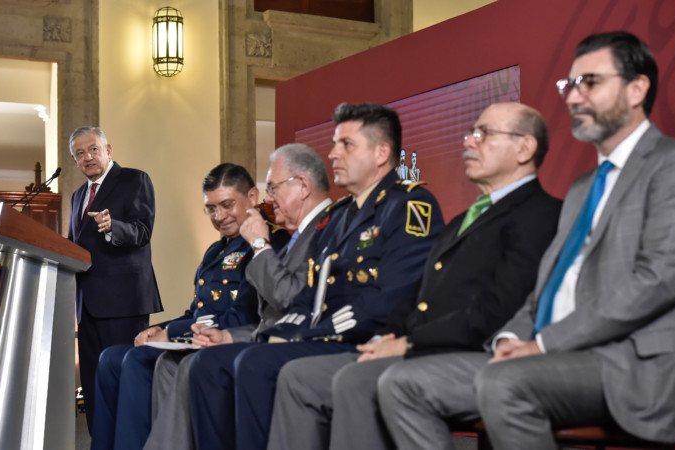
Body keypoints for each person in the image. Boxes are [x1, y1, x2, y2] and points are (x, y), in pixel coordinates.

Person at [378, 31, 675, 450]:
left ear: (637, 88)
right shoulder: (582, 188)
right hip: (549, 351)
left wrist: (543, 343)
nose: (574, 98)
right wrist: (511, 339)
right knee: (402, 382)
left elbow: (656, 280)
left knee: (504, 384)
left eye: (589, 83)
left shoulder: (672, 165)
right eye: (569, 85)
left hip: (627, 361)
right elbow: (547, 288)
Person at [267, 102, 562, 450]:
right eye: (471, 133)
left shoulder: (541, 214)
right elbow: (420, 294)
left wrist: (409, 342)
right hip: (427, 344)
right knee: (300, 377)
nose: (469, 142)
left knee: (356, 381)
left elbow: (499, 307)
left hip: (474, 350)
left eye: (484, 134)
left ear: (524, 148)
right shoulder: (464, 220)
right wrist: (389, 334)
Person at [188, 102, 445, 450]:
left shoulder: (410, 206)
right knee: (228, 360)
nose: (333, 153)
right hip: (332, 334)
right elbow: (313, 293)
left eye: (346, 145)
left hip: (368, 339)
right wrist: (285, 331)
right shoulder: (342, 217)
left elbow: (395, 297)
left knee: (255, 363)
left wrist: (309, 334)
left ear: (381, 153)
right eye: (335, 143)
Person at [143, 143, 332, 449]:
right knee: (162, 360)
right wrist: (223, 336)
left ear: (302, 186)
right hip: (256, 333)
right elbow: (203, 308)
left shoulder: (303, 233)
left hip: (297, 339)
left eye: (273, 187)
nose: (270, 197)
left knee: (201, 365)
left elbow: (287, 303)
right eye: (211, 208)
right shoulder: (219, 248)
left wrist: (259, 245)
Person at [90, 163, 289, 450]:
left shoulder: (269, 242)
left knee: (137, 360)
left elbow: (241, 316)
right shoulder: (216, 250)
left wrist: (172, 334)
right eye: (210, 208)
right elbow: (195, 311)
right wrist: (160, 328)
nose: (218, 216)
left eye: (227, 205)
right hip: (195, 335)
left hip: (227, 341)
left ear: (254, 196)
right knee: (110, 358)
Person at [67, 126, 162, 432]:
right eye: (80, 153)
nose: (87, 157)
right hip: (88, 306)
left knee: (126, 380)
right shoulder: (78, 195)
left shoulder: (135, 179)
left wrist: (112, 227)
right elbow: (74, 246)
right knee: (95, 387)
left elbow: (143, 231)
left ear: (109, 150)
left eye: (93, 149)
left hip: (124, 302)